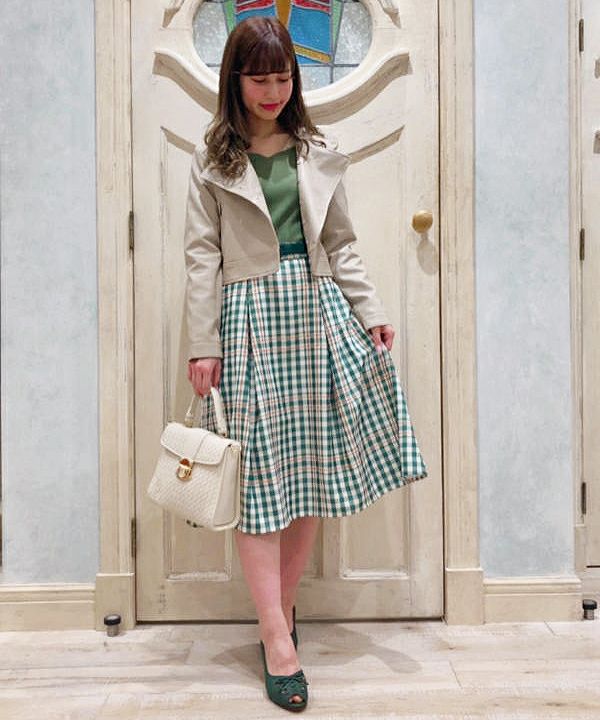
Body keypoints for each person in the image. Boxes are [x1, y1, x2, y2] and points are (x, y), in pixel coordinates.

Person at [183, 15, 428, 712]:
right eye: (259, 78)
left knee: (311, 474)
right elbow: (201, 256)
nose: (273, 90)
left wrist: (370, 309)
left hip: (317, 314)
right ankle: (276, 636)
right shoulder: (212, 159)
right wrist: (203, 344)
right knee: (260, 485)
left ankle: (279, 616)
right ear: (235, 81)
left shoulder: (317, 151)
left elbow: (342, 243)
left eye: (283, 76)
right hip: (250, 320)